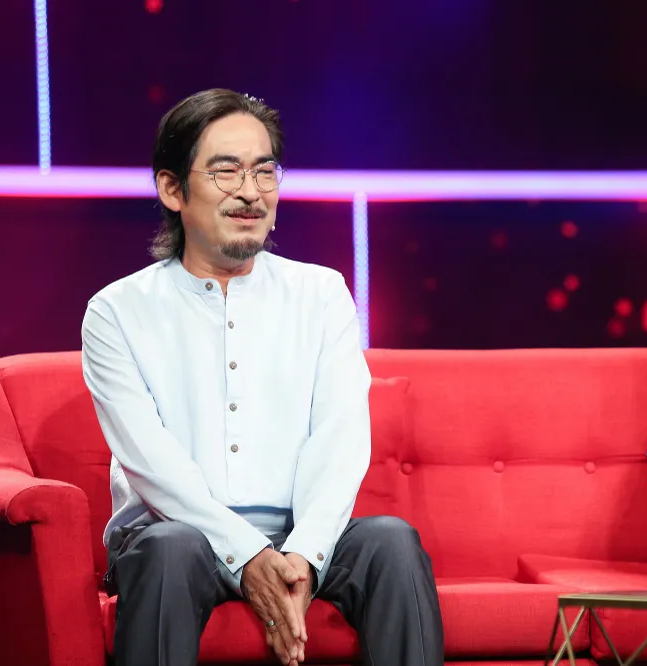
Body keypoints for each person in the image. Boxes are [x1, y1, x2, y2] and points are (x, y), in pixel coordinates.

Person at [81, 88, 444, 666]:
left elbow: (340, 439)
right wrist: (248, 555)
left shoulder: (321, 294)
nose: (250, 192)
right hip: (174, 536)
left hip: (298, 535)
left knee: (391, 542)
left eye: (265, 171)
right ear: (172, 189)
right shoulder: (117, 312)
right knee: (171, 548)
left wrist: (302, 556)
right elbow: (152, 464)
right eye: (226, 172)